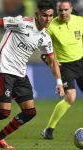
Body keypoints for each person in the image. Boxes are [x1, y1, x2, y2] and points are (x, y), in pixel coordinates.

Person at [0, 0, 64, 149]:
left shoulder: (45, 38)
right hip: (4, 68)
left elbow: (53, 61)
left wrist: (59, 82)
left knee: (29, 112)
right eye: (44, 15)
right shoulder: (22, 23)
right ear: (37, 14)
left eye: (50, 16)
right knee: (4, 112)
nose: (48, 19)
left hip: (20, 73)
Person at [41, 0, 83, 140]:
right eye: (60, 10)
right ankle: (49, 129)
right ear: (57, 11)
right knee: (71, 97)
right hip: (65, 66)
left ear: (71, 9)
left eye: (66, 9)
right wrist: (49, 61)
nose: (63, 13)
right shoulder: (51, 26)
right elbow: (42, 47)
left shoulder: (80, 21)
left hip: (81, 62)